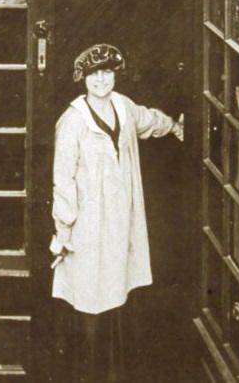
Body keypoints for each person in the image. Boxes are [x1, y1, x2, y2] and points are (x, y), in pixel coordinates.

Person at [51, 43, 184, 382]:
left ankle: (114, 372)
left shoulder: (123, 108)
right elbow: (62, 179)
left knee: (116, 288)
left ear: (115, 75)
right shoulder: (72, 121)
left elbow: (148, 120)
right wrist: (64, 229)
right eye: (94, 74)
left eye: (107, 73)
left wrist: (175, 126)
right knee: (89, 293)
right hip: (87, 223)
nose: (101, 80)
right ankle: (89, 372)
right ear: (83, 79)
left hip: (121, 219)